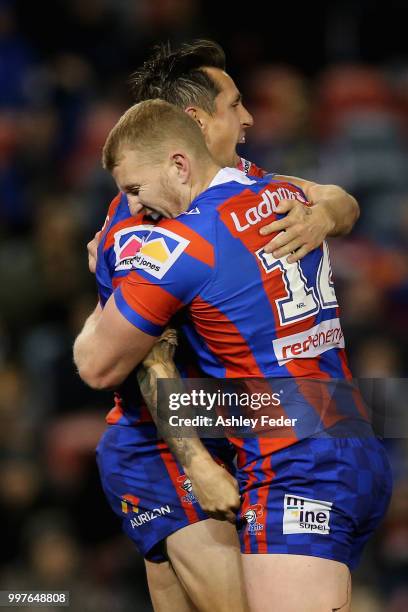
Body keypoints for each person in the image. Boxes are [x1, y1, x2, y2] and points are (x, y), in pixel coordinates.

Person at [74, 99, 392, 612]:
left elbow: (95, 363)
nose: (132, 206)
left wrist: (104, 288)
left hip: (290, 459)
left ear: (180, 162)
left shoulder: (182, 242)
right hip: (344, 435)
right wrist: (331, 211)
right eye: (233, 105)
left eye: (135, 188)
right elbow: (341, 203)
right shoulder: (282, 193)